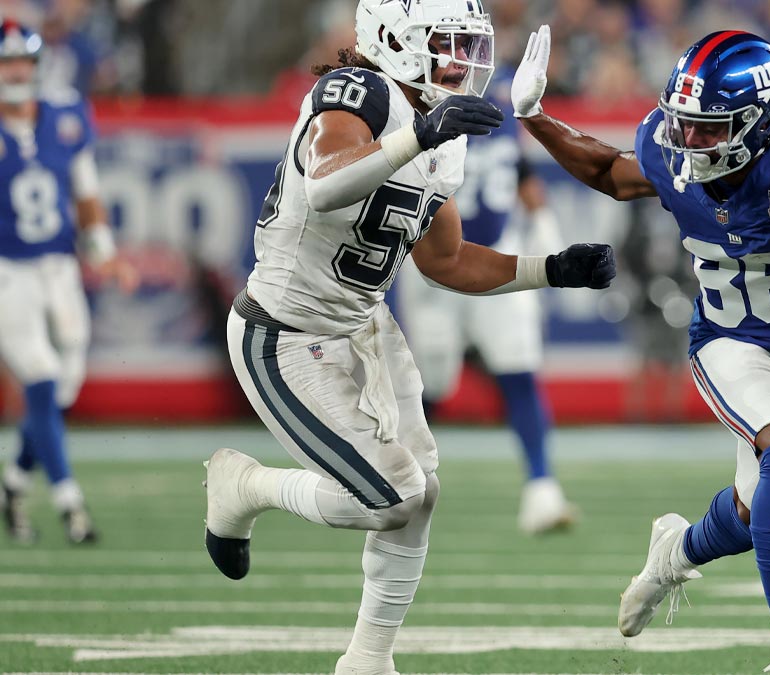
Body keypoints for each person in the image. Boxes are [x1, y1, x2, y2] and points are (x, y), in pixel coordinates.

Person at [201, 3, 614, 675]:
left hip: (363, 326)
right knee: (390, 495)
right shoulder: (356, 91)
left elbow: (445, 260)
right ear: (394, 40)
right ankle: (245, 488)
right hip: (283, 331)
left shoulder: (440, 130)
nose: (463, 60)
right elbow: (328, 181)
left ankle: (369, 658)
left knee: (421, 492)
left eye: (468, 44)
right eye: (447, 43)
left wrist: (551, 269)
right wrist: (417, 134)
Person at [511, 27, 770, 674]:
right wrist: (534, 117)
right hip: (728, 339)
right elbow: (607, 170)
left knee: (750, 512)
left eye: (710, 128)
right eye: (685, 123)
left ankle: (674, 553)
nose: (688, 139)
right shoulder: (672, 152)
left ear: (760, 124)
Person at [397, 69, 577, 535]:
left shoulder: (504, 90)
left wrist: (545, 230)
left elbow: (520, 171)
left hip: (495, 256)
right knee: (432, 379)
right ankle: (398, 476)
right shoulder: (416, 95)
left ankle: (542, 486)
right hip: (433, 262)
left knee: (519, 366)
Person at [0, 18, 133, 545]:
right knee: (39, 373)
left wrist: (103, 250)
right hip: (8, 271)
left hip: (58, 265)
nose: (14, 71)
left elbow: (86, 191)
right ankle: (70, 505)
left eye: (21, 62)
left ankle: (12, 484)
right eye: (5, 61)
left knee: (65, 381)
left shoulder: (63, 116)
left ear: (35, 67)